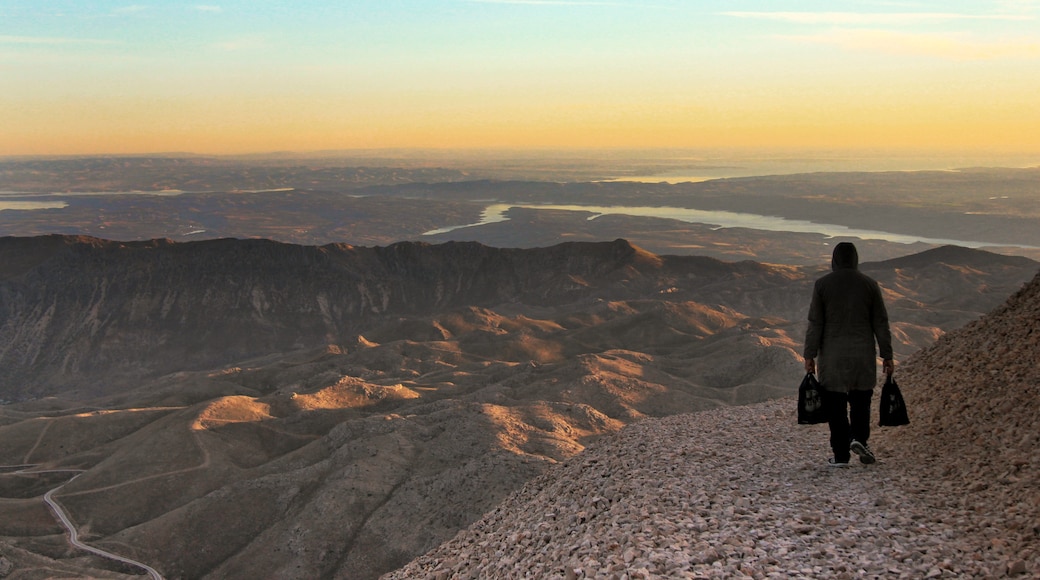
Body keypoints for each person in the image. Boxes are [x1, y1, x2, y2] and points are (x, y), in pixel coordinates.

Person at [803, 242, 894, 467]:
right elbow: (880, 323)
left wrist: (809, 355)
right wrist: (887, 355)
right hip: (862, 355)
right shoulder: (870, 285)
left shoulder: (823, 285)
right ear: (855, 259)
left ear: (834, 260)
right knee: (861, 401)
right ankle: (859, 439)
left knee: (835, 406)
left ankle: (841, 455)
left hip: (833, 357)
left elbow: (816, 322)